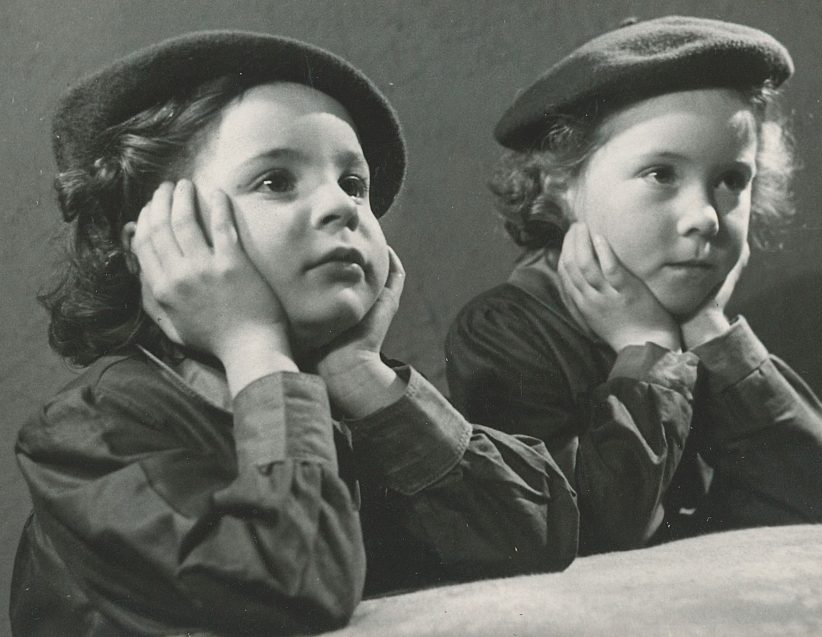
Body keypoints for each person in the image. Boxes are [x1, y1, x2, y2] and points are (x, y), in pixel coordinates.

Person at [11, 31, 578, 637]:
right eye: (276, 181)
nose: (344, 208)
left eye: (352, 184)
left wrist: (363, 375)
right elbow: (294, 590)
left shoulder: (346, 404)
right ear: (157, 242)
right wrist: (254, 346)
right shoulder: (95, 429)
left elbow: (536, 540)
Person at [446, 15, 822, 556]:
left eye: (731, 181)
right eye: (662, 174)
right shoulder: (505, 329)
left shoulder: (691, 319)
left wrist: (711, 329)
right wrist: (649, 349)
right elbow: (590, 531)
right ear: (561, 184)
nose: (706, 218)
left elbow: (817, 486)